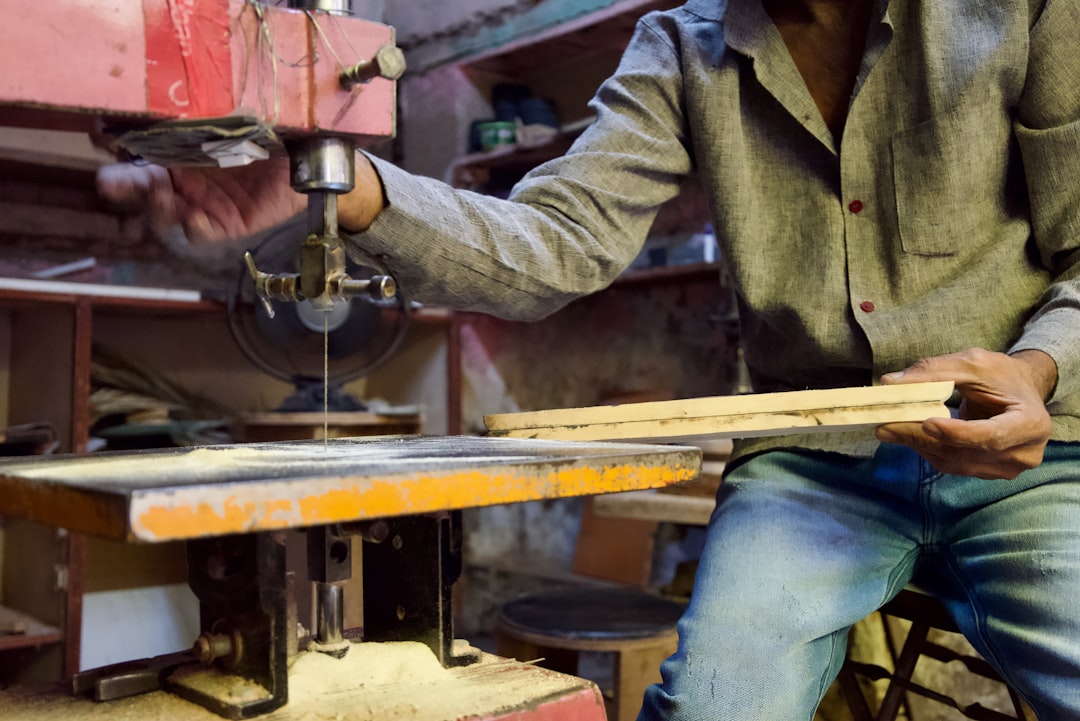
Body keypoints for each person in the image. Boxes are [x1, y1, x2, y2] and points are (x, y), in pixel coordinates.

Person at [98, 0, 1080, 717]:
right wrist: (346, 189)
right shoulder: (680, 49)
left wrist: (1037, 369)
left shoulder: (1025, 10)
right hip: (816, 464)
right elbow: (553, 246)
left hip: (1041, 450)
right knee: (714, 708)